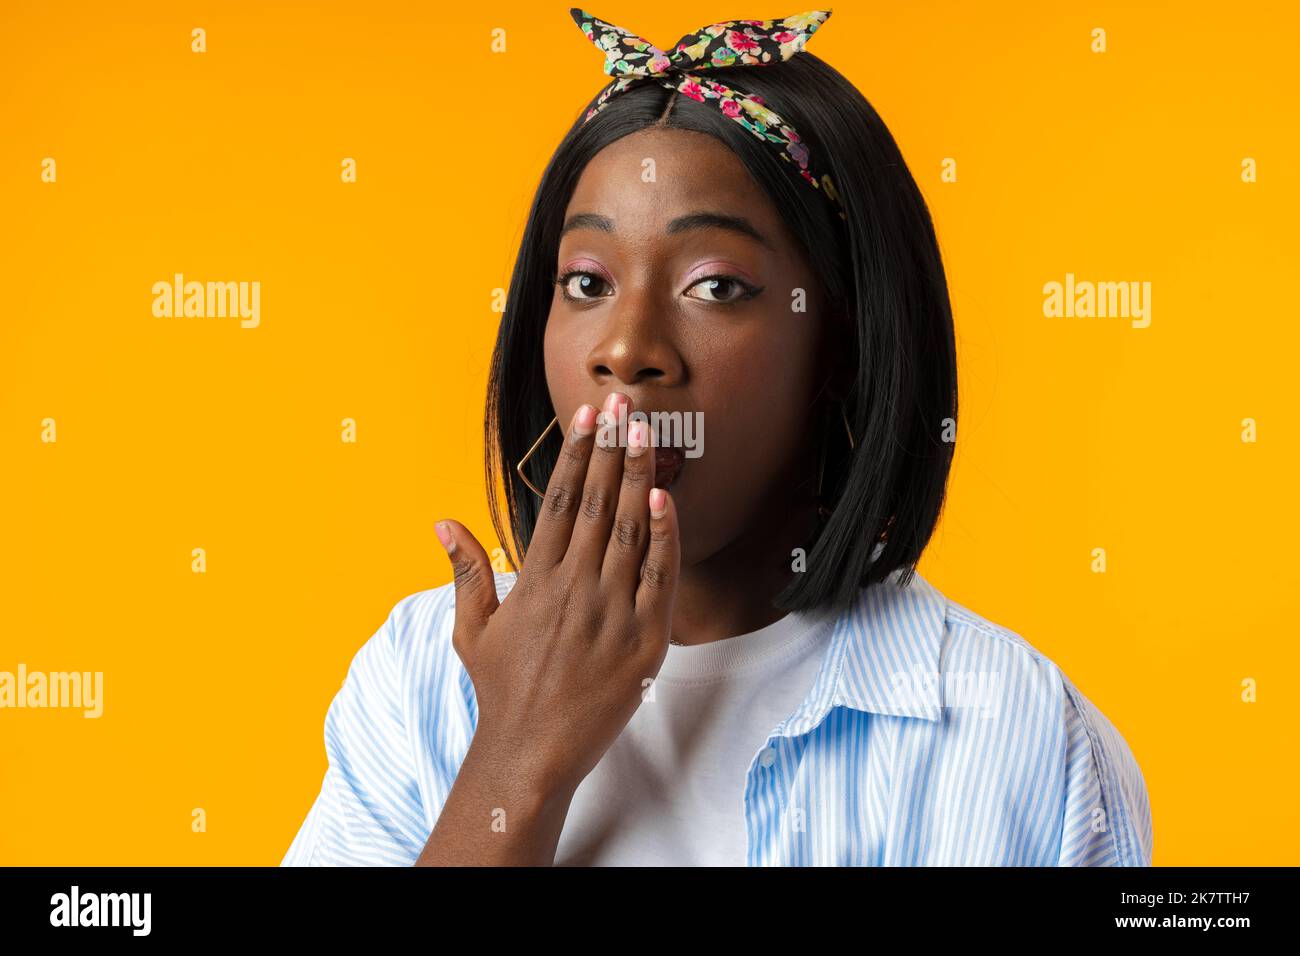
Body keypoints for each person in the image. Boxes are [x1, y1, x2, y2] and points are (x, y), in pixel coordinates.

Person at [282, 8, 1152, 867]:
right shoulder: (416, 685)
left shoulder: (1022, 739)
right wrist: (516, 752)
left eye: (717, 287)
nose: (626, 348)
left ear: (844, 343)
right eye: (586, 281)